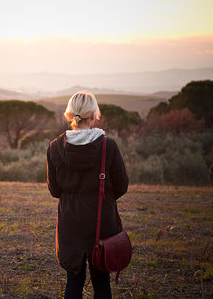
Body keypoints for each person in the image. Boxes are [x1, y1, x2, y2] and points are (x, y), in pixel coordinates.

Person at [46, 91, 129, 298]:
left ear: (70, 115)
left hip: (70, 222)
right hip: (101, 221)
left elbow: (54, 190)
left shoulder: (55, 147)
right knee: (101, 281)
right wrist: (103, 197)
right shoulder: (108, 146)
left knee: (74, 279)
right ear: (93, 116)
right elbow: (122, 186)